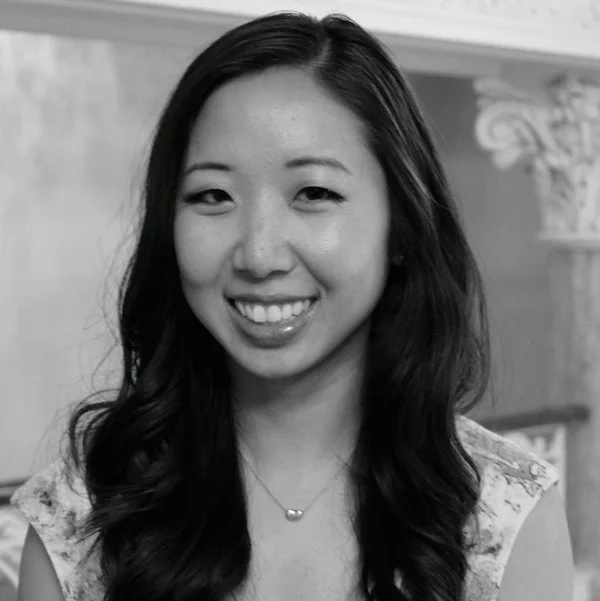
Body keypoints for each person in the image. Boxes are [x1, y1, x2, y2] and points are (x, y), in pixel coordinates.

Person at [12, 11, 573, 601]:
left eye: (314, 192)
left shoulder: (501, 512)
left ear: (402, 227)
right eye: (213, 195)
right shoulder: (84, 509)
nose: (258, 255)